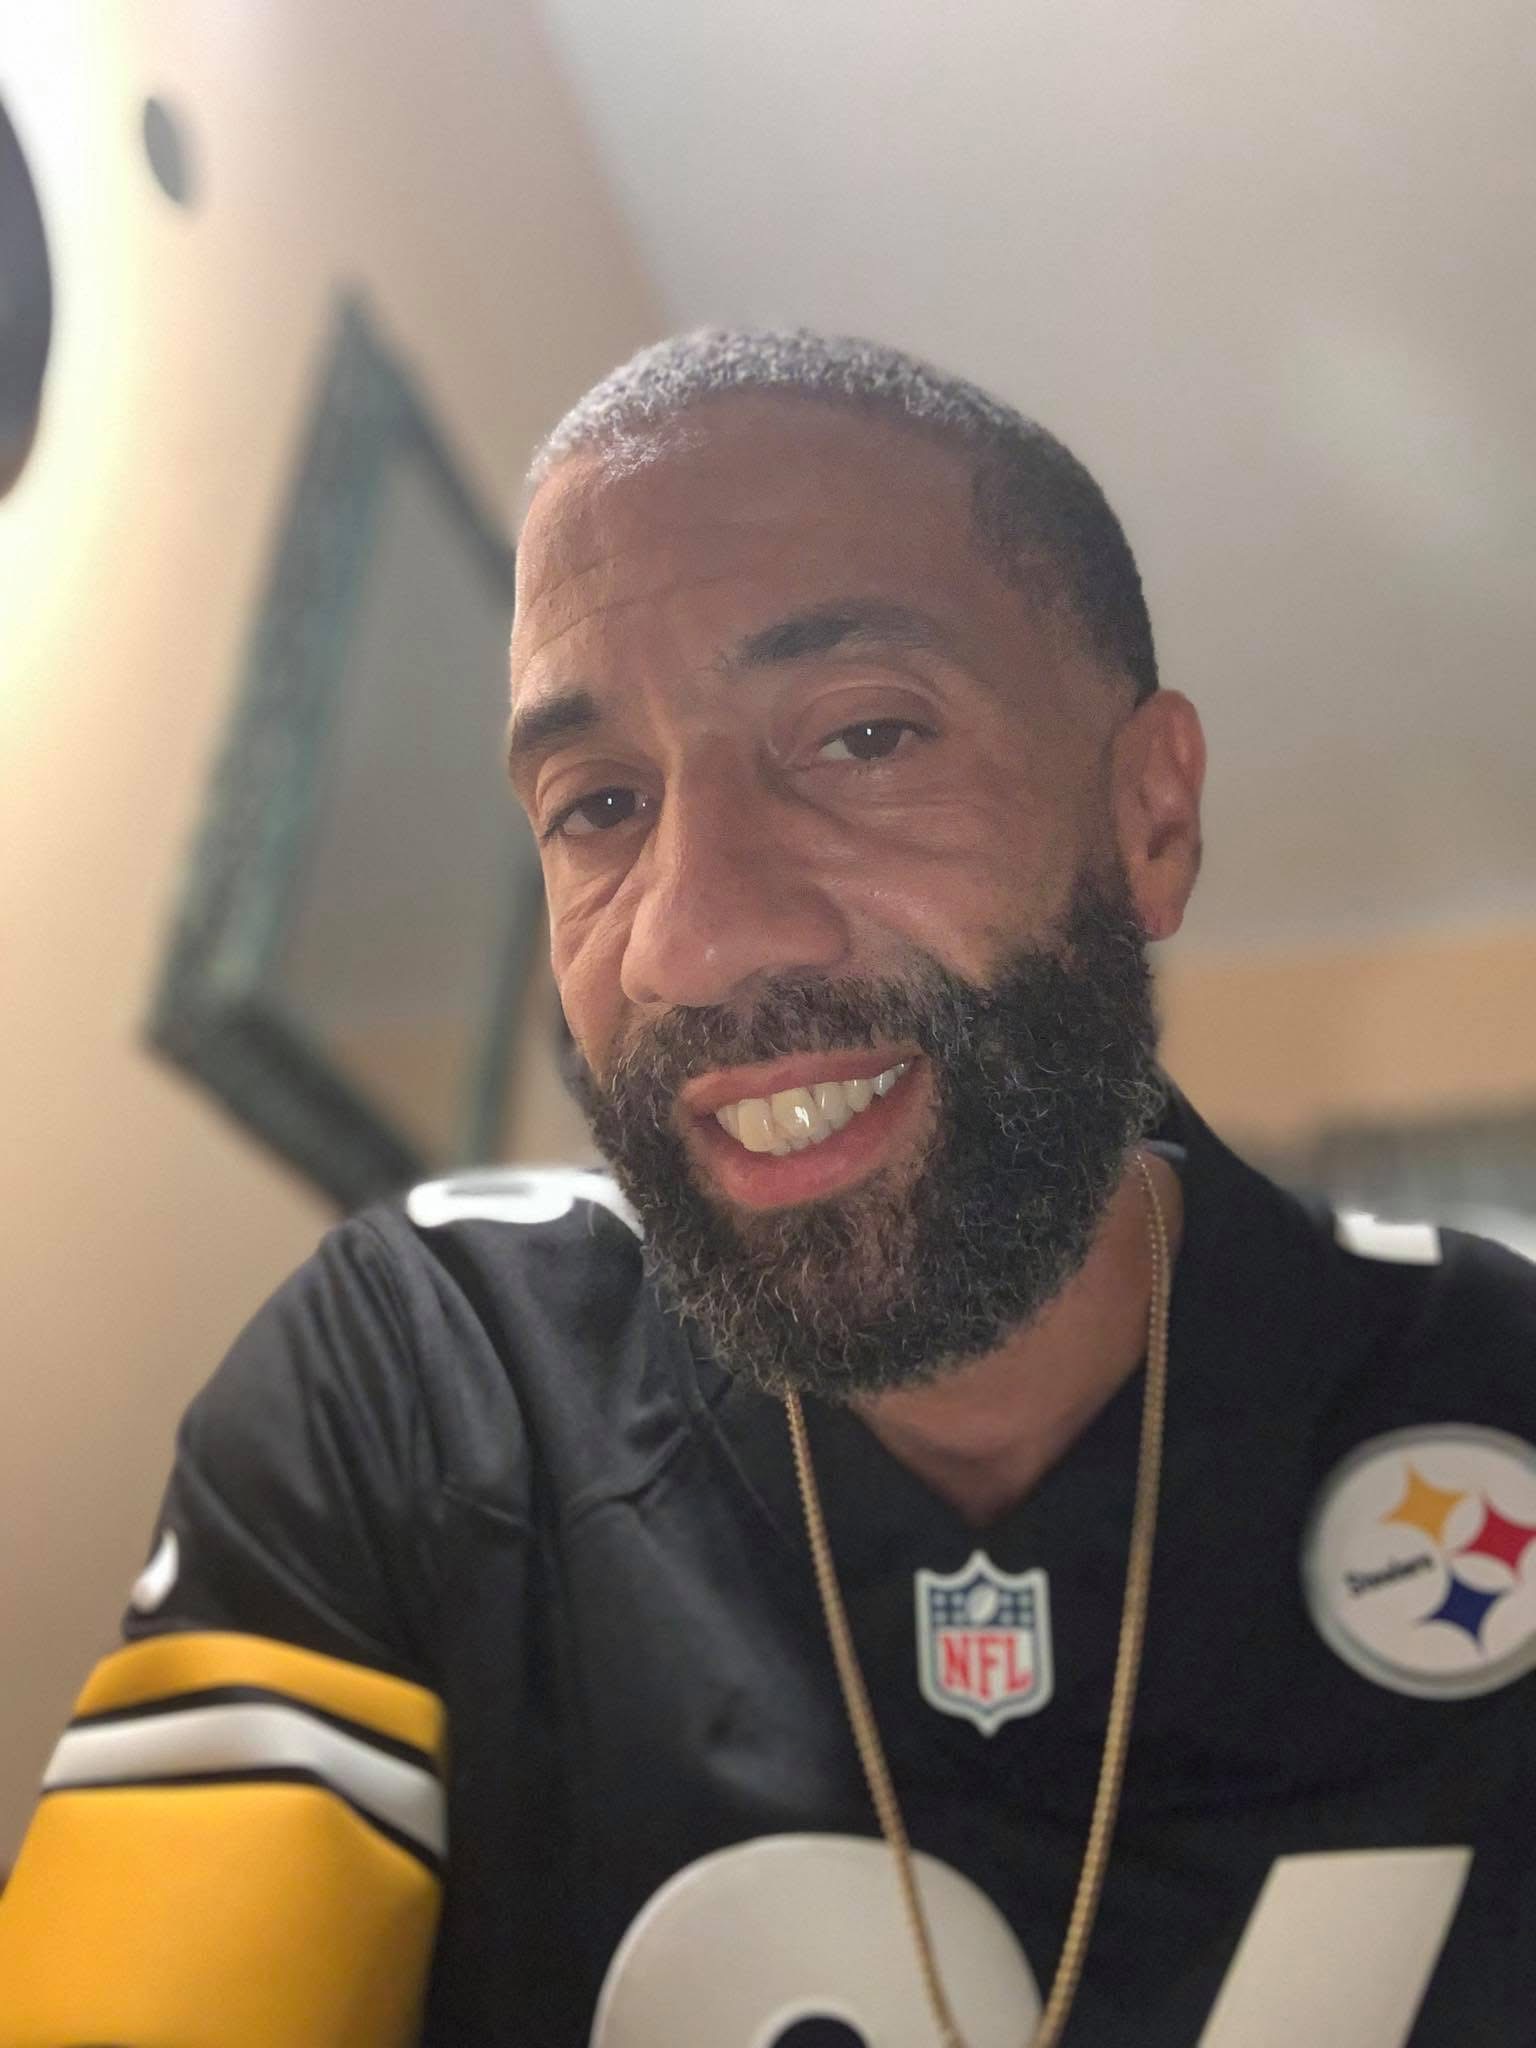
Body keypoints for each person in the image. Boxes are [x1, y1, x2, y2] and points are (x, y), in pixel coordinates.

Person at [3, 330, 1534, 2048]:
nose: (695, 937)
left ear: (1148, 821)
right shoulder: (436, 1373)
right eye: (599, 803)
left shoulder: (1500, 1382)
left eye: (864, 735)